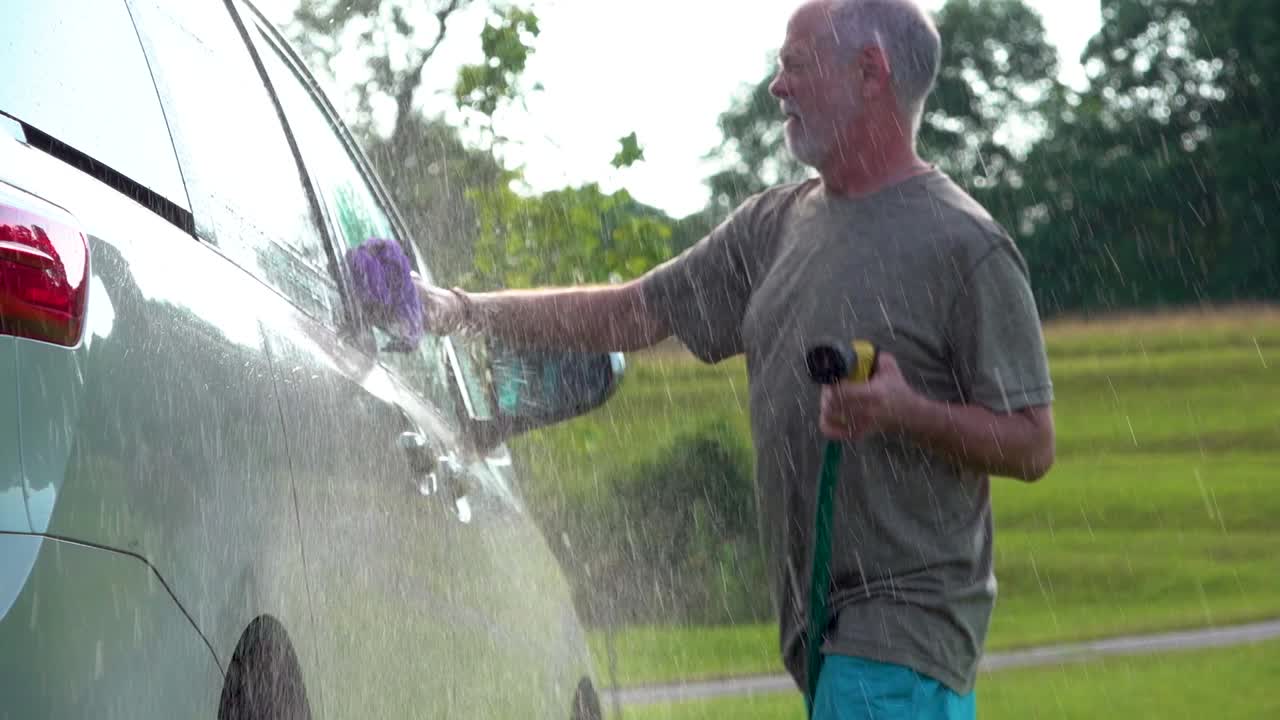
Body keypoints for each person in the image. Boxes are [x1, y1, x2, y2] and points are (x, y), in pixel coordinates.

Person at [420, 0, 1055, 717]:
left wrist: (905, 411)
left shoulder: (965, 246)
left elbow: (1032, 442)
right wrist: (462, 311)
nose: (776, 88)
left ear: (869, 72)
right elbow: (633, 311)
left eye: (794, 65)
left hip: (901, 632)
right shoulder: (775, 224)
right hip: (824, 635)